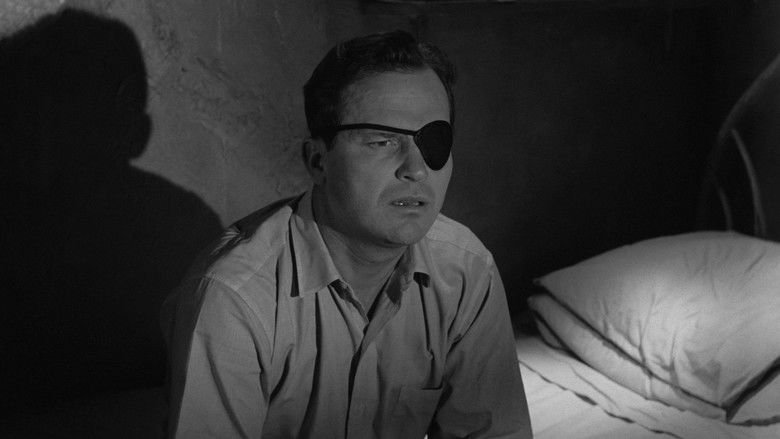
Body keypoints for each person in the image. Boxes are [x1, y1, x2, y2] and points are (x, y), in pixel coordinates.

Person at [161, 30, 532, 438]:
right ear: (318, 161)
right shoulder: (236, 299)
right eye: (382, 141)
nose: (416, 169)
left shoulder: (465, 274)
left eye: (434, 141)